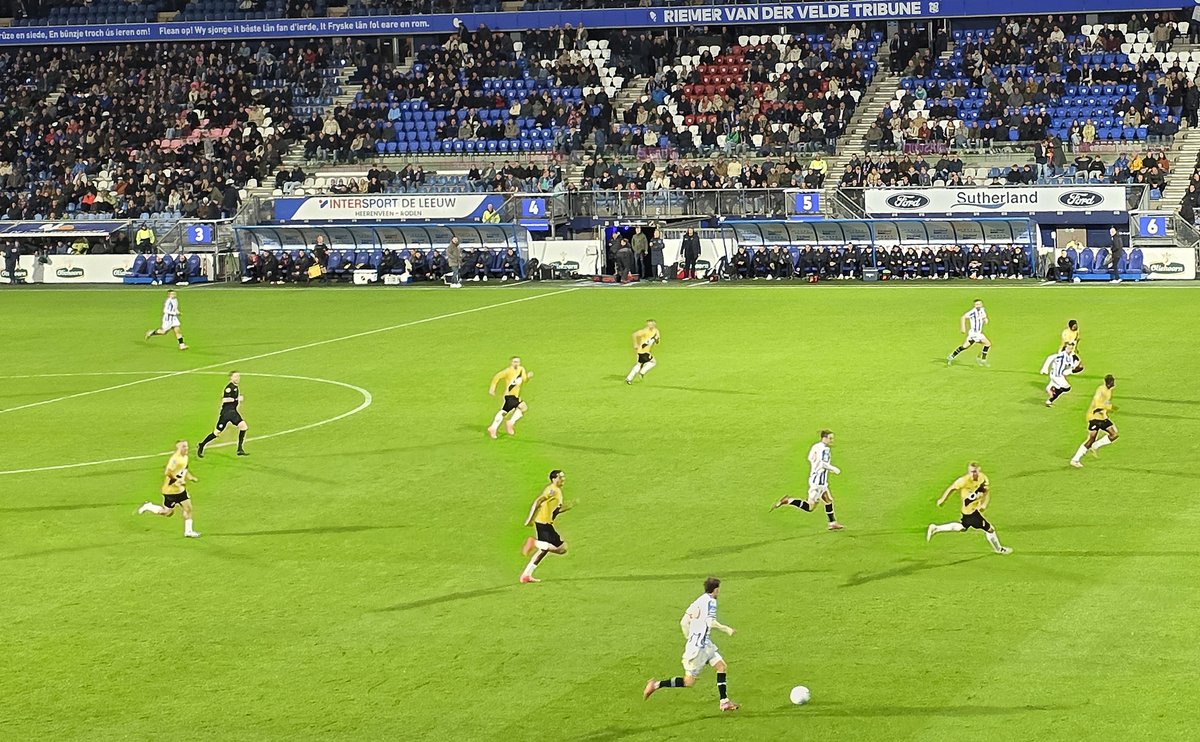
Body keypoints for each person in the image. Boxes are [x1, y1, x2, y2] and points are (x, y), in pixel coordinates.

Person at [642, 576, 739, 712]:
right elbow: (710, 622)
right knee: (689, 682)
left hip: (703, 644)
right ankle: (655, 685)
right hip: (698, 649)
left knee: (721, 666)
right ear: (715, 590)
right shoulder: (711, 602)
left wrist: (691, 637)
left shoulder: (698, 601)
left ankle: (724, 702)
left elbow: (683, 622)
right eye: (719, 590)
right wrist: (726, 629)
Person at [926, 461, 1011, 554]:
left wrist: (983, 504)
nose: (973, 474)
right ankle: (999, 549)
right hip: (971, 513)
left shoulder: (983, 479)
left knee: (962, 527)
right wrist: (943, 499)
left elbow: (985, 492)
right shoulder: (963, 481)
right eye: (971, 472)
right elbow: (952, 488)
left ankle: (936, 528)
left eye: (975, 471)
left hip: (971, 512)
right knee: (990, 529)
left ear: (979, 470)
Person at [771, 429, 844, 530]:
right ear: (824, 438)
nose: (832, 440)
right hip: (818, 482)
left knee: (828, 500)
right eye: (830, 438)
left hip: (816, 478)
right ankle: (788, 501)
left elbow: (810, 458)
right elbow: (823, 463)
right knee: (810, 507)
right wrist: (834, 469)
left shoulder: (815, 446)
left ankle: (832, 523)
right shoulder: (825, 450)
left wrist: (816, 467)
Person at [135, 440, 201, 538]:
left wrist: (190, 477)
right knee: (168, 512)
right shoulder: (175, 459)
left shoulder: (185, 457)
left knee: (188, 508)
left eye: (186, 446)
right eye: (183, 446)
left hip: (181, 490)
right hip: (170, 492)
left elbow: (184, 469)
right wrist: (177, 480)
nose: (186, 448)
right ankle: (149, 506)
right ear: (178, 447)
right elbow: (168, 472)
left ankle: (188, 531)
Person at [518, 470, 572, 583]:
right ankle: (534, 542)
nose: (563, 479)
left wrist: (565, 508)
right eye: (560, 477)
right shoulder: (552, 490)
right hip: (544, 523)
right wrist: (530, 519)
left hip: (544, 522)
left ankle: (526, 575)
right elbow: (538, 501)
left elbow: (553, 511)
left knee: (543, 550)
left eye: (563, 477)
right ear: (554, 479)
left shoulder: (557, 491)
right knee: (562, 549)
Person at [197, 371, 249, 457]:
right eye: (235, 376)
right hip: (226, 413)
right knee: (216, 432)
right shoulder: (229, 388)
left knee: (244, 427)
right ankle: (202, 445)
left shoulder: (235, 387)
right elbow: (225, 400)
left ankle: (240, 449)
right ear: (231, 378)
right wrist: (237, 399)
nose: (237, 378)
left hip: (233, 412)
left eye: (238, 376)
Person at [1070, 375, 1118, 468]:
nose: (1113, 384)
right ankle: (1075, 459)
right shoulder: (1100, 390)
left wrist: (1107, 410)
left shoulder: (1109, 391)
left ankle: (1095, 446)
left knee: (1114, 434)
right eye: (1112, 382)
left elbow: (1105, 402)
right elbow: (1097, 403)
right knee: (1091, 438)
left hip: (1102, 417)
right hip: (1094, 417)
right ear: (1108, 383)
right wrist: (1109, 407)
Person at [487, 356, 532, 439]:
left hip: (516, 396)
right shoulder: (508, 371)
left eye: (518, 362)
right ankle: (508, 423)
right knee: (522, 407)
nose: (516, 363)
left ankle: (493, 427)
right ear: (511, 363)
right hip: (509, 395)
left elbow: (524, 379)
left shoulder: (521, 369)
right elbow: (497, 377)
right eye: (514, 361)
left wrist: (528, 377)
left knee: (505, 411)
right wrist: (492, 388)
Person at [946, 299, 989, 366]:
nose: (977, 306)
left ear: (981, 304)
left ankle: (951, 356)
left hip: (978, 333)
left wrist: (985, 319)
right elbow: (963, 317)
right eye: (976, 304)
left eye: (979, 304)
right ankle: (982, 359)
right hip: (974, 334)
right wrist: (963, 328)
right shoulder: (973, 312)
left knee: (965, 346)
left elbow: (984, 316)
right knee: (987, 344)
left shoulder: (982, 310)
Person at [625, 320, 660, 384]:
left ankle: (629, 379)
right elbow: (634, 334)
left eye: (652, 324)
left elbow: (657, 341)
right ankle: (642, 372)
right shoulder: (645, 331)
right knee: (653, 362)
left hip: (645, 351)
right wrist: (635, 344)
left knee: (639, 364)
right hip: (643, 351)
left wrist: (656, 339)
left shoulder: (656, 331)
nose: (651, 325)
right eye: (649, 324)